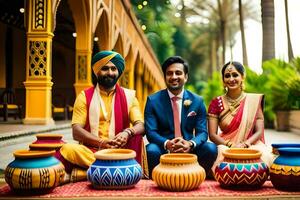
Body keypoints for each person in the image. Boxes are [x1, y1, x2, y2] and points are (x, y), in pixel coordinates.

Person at [56, 50, 145, 182]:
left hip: (120, 152)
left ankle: (82, 174)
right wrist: (102, 143)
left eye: (113, 68)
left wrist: (127, 132)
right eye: (105, 68)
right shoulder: (84, 96)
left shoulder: (129, 96)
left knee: (136, 137)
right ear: (97, 71)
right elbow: (76, 131)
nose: (109, 72)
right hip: (92, 151)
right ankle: (119, 172)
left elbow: (141, 125)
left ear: (118, 71)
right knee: (68, 149)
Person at [144, 56, 217, 179]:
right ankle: (160, 179)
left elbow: (203, 133)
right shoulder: (153, 100)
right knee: (151, 150)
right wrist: (167, 143)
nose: (173, 77)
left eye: (178, 73)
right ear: (165, 77)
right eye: (169, 73)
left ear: (186, 77)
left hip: (189, 148)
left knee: (210, 148)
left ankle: (194, 176)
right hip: (164, 148)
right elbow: (151, 132)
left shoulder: (197, 101)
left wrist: (190, 144)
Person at [207, 61, 274, 169]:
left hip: (249, 144)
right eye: (227, 76)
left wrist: (245, 144)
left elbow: (259, 131)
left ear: (242, 77)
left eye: (235, 75)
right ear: (223, 80)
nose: (231, 79)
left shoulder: (253, 101)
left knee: (262, 154)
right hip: (225, 144)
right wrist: (230, 145)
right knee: (223, 153)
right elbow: (212, 135)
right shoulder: (216, 103)